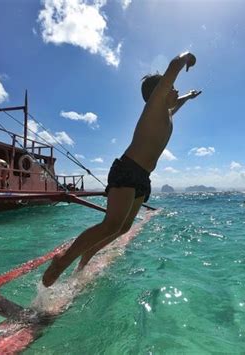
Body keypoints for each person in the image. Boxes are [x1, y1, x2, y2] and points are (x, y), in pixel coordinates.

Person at [42, 51, 201, 287]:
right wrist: (188, 58)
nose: (176, 91)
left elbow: (177, 102)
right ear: (159, 92)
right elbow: (174, 65)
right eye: (173, 87)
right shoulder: (156, 107)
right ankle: (61, 261)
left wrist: (189, 96)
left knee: (123, 227)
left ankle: (88, 254)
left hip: (142, 177)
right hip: (127, 170)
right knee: (112, 223)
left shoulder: (166, 112)